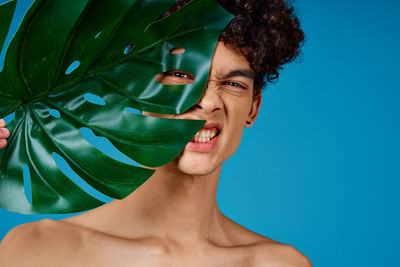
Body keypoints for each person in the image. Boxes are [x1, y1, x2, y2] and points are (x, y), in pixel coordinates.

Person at [0, 0, 311, 266]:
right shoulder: (37, 252)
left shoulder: (278, 263)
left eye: (233, 84)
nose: (209, 102)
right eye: (179, 74)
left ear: (253, 108)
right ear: (135, 88)